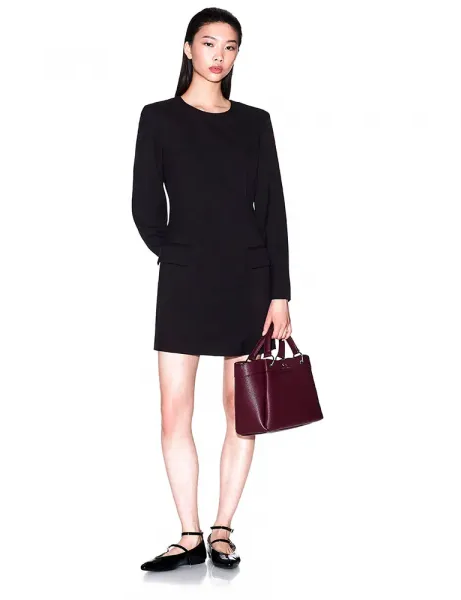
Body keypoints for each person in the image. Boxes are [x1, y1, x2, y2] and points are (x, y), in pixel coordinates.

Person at [132, 8, 292, 571]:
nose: (219, 55)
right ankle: (188, 533)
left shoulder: (255, 123)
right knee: (174, 411)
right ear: (188, 48)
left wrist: (280, 293)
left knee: (239, 411)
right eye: (208, 43)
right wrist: (174, 252)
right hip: (184, 280)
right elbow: (144, 204)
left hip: (248, 280)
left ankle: (222, 528)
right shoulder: (158, 118)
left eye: (230, 46)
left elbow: (272, 210)